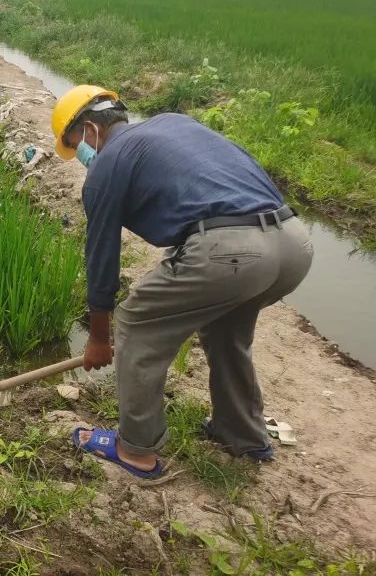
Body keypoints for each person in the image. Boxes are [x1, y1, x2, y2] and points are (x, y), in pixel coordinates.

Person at [51, 85, 313, 479]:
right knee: (226, 331)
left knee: (138, 322)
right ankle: (243, 434)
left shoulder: (107, 165)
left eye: (77, 146)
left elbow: (102, 259)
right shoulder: (175, 124)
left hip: (233, 251)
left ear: (90, 130)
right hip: (293, 242)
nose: (82, 157)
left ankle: (135, 449)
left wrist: (100, 338)